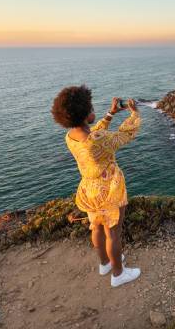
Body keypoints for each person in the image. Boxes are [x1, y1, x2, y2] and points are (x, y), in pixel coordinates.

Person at [51, 85, 141, 287]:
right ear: (83, 114)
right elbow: (124, 135)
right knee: (114, 234)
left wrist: (110, 114)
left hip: (89, 190)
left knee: (97, 228)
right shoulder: (96, 141)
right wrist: (134, 114)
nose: (93, 110)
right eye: (90, 108)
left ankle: (105, 263)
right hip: (109, 189)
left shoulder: (71, 136)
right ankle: (118, 274)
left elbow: (94, 133)